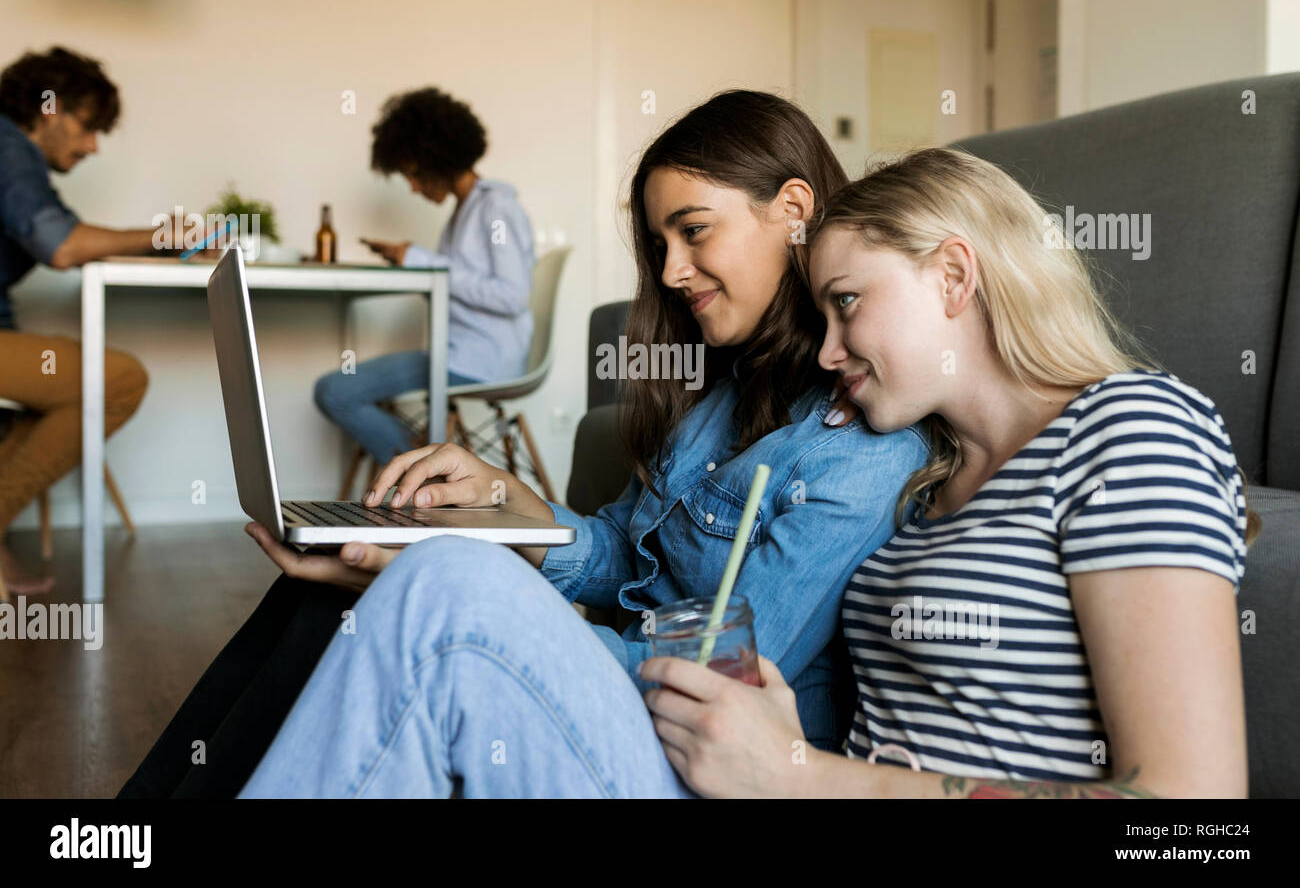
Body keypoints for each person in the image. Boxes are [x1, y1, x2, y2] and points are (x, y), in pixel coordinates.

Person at [243, 147, 1256, 799]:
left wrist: (804, 776)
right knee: (428, 590)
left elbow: (1192, 818)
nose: (824, 350)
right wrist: (504, 523)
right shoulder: (930, 477)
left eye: (848, 303)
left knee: (453, 595)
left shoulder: (1133, 430)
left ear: (954, 275)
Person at [118, 89, 928, 798]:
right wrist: (503, 502)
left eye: (693, 231)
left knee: (425, 587)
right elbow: (620, 553)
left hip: (685, 750)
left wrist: (461, 579)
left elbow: (703, 682)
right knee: (328, 592)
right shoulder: (726, 395)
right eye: (660, 246)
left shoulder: (862, 447)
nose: (674, 272)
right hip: (622, 697)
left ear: (793, 208)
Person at [0, 47, 191, 597]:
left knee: (60, 395)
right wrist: (161, 237)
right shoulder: (9, 149)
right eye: (86, 128)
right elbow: (62, 246)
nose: (92, 146)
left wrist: (164, 248)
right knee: (120, 379)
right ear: (49, 108)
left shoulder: (19, 160)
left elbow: (74, 235)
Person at [312, 87, 535, 465]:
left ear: (439, 158)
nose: (412, 187)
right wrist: (410, 258)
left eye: (414, 174)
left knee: (335, 391)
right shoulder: (467, 210)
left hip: (480, 360)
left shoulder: (496, 208)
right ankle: (423, 462)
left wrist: (418, 258)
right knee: (337, 388)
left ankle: (420, 470)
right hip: (459, 354)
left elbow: (512, 295)